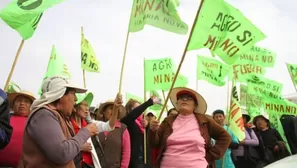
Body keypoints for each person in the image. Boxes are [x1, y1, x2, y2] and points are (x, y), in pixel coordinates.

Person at [18, 76, 99, 168]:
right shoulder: (43, 116)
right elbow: (62, 154)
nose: (76, 99)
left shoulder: (61, 117)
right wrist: (86, 132)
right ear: (60, 95)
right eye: (73, 93)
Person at [149, 87, 231, 168]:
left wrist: (210, 156)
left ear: (195, 105)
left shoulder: (205, 120)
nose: (184, 100)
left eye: (189, 98)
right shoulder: (168, 121)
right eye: (181, 98)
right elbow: (154, 144)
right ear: (177, 103)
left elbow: (225, 137)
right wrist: (152, 131)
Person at [121, 97, 160, 168]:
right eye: (137, 108)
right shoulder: (127, 121)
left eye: (140, 108)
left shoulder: (143, 123)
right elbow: (132, 115)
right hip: (134, 161)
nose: (140, 110)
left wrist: (147, 125)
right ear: (129, 110)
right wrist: (149, 102)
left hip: (146, 161)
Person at [0, 90, 35, 167]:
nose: (22, 103)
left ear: (31, 106)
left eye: (26, 101)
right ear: (13, 104)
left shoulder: (35, 121)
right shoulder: (4, 119)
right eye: (19, 100)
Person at [95, 99, 130, 168]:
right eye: (111, 109)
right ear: (104, 111)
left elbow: (126, 152)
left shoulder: (122, 129)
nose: (113, 111)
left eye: (115, 109)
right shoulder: (96, 126)